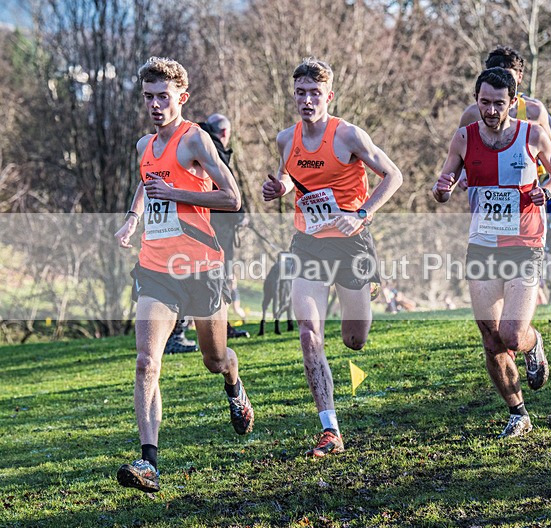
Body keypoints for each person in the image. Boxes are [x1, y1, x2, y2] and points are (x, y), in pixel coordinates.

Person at [113, 56, 254, 492]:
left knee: (214, 359)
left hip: (201, 268)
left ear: (182, 97)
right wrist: (133, 219)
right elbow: (146, 183)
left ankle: (234, 382)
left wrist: (176, 193)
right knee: (146, 362)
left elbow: (232, 198)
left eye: (163, 97)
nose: (155, 105)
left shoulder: (196, 141)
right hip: (156, 268)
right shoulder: (144, 145)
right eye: (148, 97)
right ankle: (149, 462)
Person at [262, 58, 403, 457]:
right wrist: (280, 188)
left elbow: (394, 176)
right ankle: (330, 429)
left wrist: (362, 213)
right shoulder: (285, 139)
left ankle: (365, 291)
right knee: (309, 332)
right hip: (308, 243)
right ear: (293, 95)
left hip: (352, 243)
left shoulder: (349, 135)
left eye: (315, 93)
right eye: (301, 93)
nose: (307, 100)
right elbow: (289, 175)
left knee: (354, 340)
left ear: (329, 96)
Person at [433, 67, 551, 438]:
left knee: (511, 334)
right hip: (483, 245)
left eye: (498, 103)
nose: (491, 111)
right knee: (491, 338)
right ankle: (517, 412)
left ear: (513, 102)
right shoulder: (464, 137)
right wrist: (441, 189)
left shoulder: (533, 134)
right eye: (485, 102)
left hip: (525, 244)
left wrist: (547, 190)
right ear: (476, 100)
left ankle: (532, 343)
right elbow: (444, 185)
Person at [199, 113, 251, 337]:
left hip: (199, 222)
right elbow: (227, 190)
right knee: (220, 275)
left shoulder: (196, 142)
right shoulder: (215, 150)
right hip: (218, 225)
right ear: (225, 132)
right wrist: (241, 215)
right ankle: (221, 329)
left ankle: (213, 328)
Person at [459, 46, 551, 146]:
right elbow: (459, 149)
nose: (503, 81)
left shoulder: (534, 110)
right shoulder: (472, 114)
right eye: (496, 77)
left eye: (509, 76)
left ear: (519, 77)